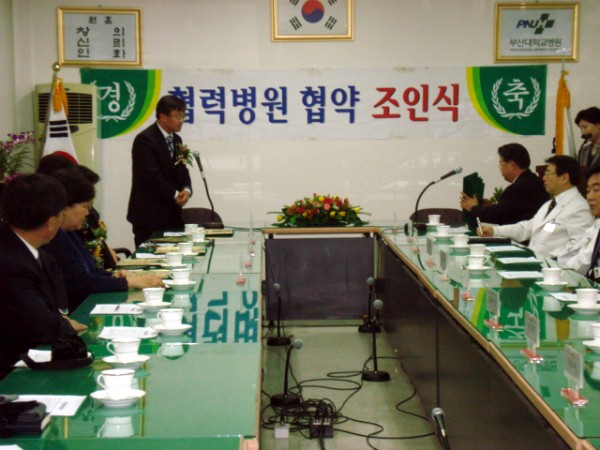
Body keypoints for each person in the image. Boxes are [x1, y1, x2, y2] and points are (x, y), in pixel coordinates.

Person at [43, 168, 164, 311]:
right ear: (65, 208)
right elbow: (79, 282)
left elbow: (89, 271)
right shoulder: (55, 239)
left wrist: (112, 276)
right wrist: (130, 282)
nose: (87, 213)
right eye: (84, 206)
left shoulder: (71, 233)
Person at [0, 174, 83, 379]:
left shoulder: (33, 251)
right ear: (52, 223)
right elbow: (41, 325)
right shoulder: (10, 263)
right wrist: (65, 324)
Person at [479, 156, 593, 258]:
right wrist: (494, 231)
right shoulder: (550, 204)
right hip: (537, 261)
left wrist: (552, 259)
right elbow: (527, 228)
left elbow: (579, 247)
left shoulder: (579, 208)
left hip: (556, 268)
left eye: (548, 173)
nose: (544, 178)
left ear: (564, 178)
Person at [127, 95, 193, 247]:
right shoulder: (145, 140)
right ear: (163, 117)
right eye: (178, 116)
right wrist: (175, 194)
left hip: (172, 216)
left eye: (183, 116)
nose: (181, 120)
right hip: (149, 217)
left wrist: (186, 189)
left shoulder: (177, 140)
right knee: (150, 259)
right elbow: (150, 176)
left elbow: (182, 169)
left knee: (176, 257)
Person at [460, 143, 548, 225]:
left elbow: (499, 216)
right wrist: (493, 207)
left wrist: (473, 207)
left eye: (501, 163)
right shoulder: (533, 180)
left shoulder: (517, 188)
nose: (500, 168)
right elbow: (512, 210)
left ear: (512, 165)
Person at [558, 165, 600, 277]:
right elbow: (578, 251)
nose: (590, 197)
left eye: (596, 190)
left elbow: (584, 262)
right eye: (588, 191)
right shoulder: (597, 222)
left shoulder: (579, 207)